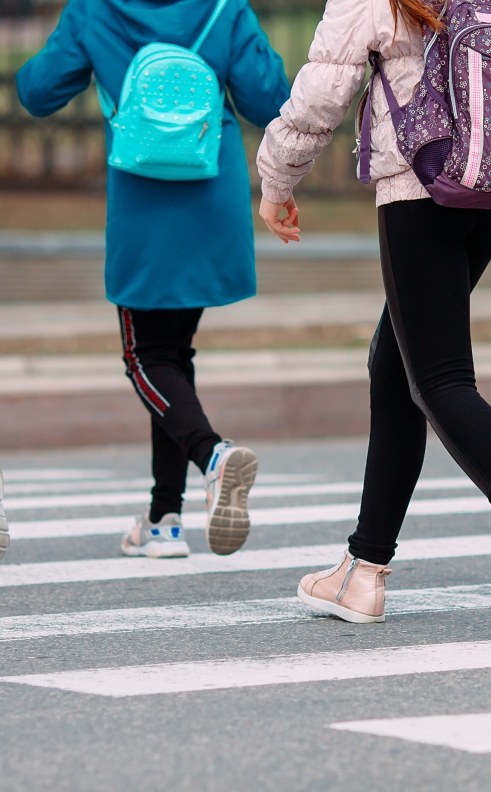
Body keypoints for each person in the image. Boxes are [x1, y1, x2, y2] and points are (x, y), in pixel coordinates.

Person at [256, 0, 491, 637]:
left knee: (439, 378)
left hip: (421, 185)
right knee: (394, 365)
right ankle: (363, 569)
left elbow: (322, 92)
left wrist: (276, 178)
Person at [17, 0, 290, 560]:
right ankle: (165, 518)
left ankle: (213, 455)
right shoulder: (224, 7)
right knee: (171, 355)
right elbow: (270, 102)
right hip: (211, 196)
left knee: (144, 358)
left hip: (143, 199)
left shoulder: (94, 10)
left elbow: (37, 92)